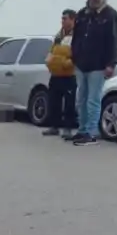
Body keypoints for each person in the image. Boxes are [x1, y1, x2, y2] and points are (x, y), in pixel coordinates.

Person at [68, 0, 117, 146]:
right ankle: (82, 129)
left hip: (98, 65)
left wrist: (111, 63)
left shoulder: (110, 15)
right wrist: (74, 56)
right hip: (81, 63)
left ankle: (92, 132)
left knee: (93, 100)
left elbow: (114, 40)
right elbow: (76, 37)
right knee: (80, 99)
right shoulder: (82, 14)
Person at [43, 9, 78, 138]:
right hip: (56, 74)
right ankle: (54, 126)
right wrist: (49, 60)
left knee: (69, 103)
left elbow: (78, 53)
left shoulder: (77, 35)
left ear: (73, 20)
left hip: (69, 75)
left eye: (65, 18)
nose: (62, 21)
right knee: (54, 102)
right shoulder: (59, 35)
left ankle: (68, 128)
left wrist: (69, 63)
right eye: (62, 18)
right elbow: (53, 50)